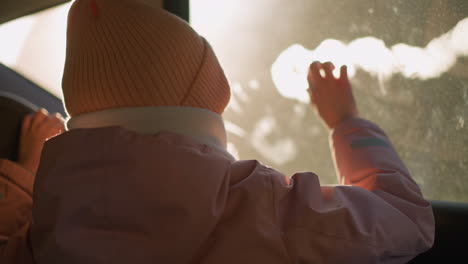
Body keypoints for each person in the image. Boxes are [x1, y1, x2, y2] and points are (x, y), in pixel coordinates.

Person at [0, 0, 434, 263]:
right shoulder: (262, 209)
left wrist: (26, 175)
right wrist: (346, 122)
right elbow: (407, 218)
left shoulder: (51, 228)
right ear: (202, 114)